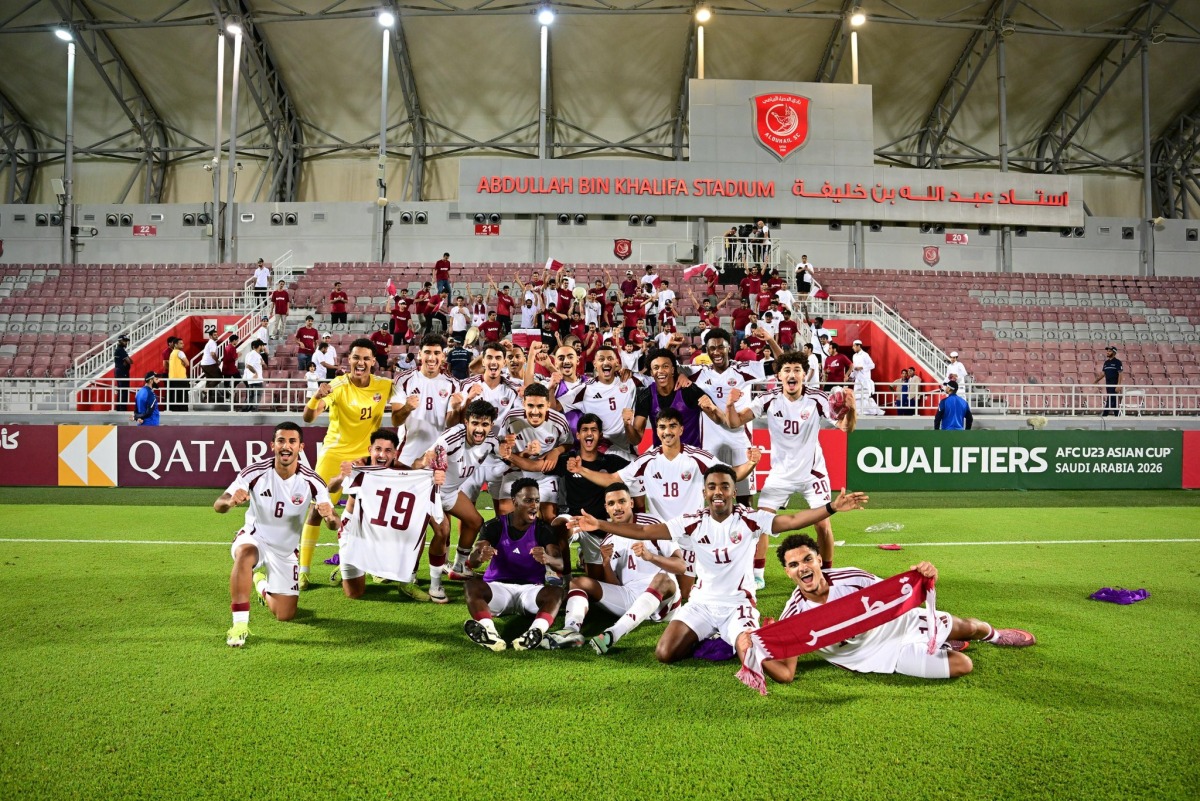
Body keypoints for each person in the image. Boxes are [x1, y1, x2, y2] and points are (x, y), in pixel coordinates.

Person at [573, 465, 868, 663]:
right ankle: (715, 636)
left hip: (737, 605)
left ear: (733, 491)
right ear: (704, 492)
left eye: (725, 486)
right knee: (665, 653)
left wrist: (831, 507)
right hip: (701, 603)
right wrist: (598, 523)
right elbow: (643, 531)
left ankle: (735, 634)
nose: (718, 491)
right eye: (712, 486)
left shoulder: (750, 518)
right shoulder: (691, 523)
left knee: (753, 656)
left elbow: (789, 521)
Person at [735, 533, 1035, 683]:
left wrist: (924, 576)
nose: (802, 568)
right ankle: (944, 643)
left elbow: (896, 594)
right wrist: (750, 647)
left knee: (970, 626)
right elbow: (787, 673)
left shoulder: (851, 577)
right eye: (794, 565)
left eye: (807, 559)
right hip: (882, 655)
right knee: (963, 665)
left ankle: (995, 635)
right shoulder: (795, 614)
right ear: (788, 572)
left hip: (898, 624)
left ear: (818, 560)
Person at [726, 350, 856, 580]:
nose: (792, 374)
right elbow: (735, 421)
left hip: (812, 474)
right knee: (761, 524)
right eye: (787, 370)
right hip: (780, 474)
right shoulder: (768, 399)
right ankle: (756, 576)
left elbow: (845, 427)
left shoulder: (817, 399)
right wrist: (730, 405)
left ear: (805, 375)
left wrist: (851, 409)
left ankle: (826, 573)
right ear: (778, 376)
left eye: (797, 370)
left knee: (823, 526)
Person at [216, 421, 337, 647]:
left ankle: (260, 584)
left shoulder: (313, 481)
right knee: (245, 553)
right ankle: (239, 625)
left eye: (292, 441)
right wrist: (231, 501)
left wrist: (330, 517)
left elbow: (333, 524)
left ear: (301, 447)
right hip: (255, 537)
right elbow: (218, 504)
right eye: (281, 440)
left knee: (285, 614)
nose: (286, 446)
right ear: (272, 445)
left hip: (286, 551)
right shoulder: (255, 472)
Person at [299, 337, 394, 589]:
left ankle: (373, 567)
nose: (360, 362)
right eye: (356, 357)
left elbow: (407, 397)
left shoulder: (385, 385)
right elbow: (309, 417)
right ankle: (303, 571)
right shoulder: (338, 385)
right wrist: (314, 397)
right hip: (334, 455)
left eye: (365, 358)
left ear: (373, 361)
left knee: (371, 514)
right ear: (348, 360)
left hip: (365, 458)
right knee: (318, 509)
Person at [546, 482, 684, 651]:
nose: (617, 507)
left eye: (622, 501)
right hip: (631, 598)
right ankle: (571, 630)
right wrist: (606, 564)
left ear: (631, 503)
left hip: (664, 602)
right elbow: (616, 587)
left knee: (662, 578)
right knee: (579, 582)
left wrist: (652, 557)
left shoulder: (653, 523)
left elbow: (681, 566)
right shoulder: (608, 540)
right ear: (606, 508)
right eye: (611, 504)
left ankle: (613, 633)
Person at [334, 428, 446, 603]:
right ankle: (348, 563)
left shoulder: (401, 471)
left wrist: (434, 478)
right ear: (370, 450)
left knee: (417, 527)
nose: (382, 454)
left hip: (381, 528)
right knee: (354, 593)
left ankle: (407, 580)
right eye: (378, 449)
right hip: (355, 531)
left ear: (395, 453)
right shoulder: (360, 467)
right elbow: (331, 488)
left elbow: (416, 475)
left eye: (388, 450)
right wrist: (341, 476)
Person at [462, 478, 565, 652]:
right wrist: (480, 556)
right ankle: (490, 633)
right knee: (471, 585)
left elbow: (560, 564)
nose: (534, 505)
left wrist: (548, 559)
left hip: (530, 592)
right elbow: (473, 559)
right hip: (498, 589)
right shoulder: (494, 526)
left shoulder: (543, 529)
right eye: (528, 500)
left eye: (537, 500)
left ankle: (535, 632)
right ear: (514, 502)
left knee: (556, 592)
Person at [424, 399, 511, 598]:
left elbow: (504, 452)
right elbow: (433, 452)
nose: (479, 429)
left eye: (485, 424)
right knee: (442, 532)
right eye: (475, 423)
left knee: (475, 521)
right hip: (431, 491)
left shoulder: (491, 441)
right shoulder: (453, 436)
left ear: (491, 425)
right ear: (466, 422)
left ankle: (459, 566)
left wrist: (513, 450)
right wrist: (433, 461)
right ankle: (435, 584)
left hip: (452, 491)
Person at [686, 329, 765, 506]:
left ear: (729, 347)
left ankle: (746, 533)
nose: (716, 352)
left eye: (721, 347)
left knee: (745, 500)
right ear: (706, 350)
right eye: (712, 348)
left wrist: (770, 340)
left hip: (740, 443)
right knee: (711, 497)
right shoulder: (699, 373)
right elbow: (663, 369)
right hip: (710, 445)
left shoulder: (745, 370)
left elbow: (779, 366)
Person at [551, 413, 631, 579]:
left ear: (600, 435)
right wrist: (554, 452)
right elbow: (538, 465)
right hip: (573, 519)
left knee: (596, 581)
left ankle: (584, 557)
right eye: (585, 430)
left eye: (594, 430)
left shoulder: (611, 462)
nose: (589, 433)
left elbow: (639, 470)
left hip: (599, 526)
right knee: (559, 526)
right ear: (578, 435)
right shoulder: (567, 460)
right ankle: (564, 577)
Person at [494, 382, 572, 522]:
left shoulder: (559, 421)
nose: (535, 411)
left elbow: (568, 443)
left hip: (545, 474)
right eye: (530, 405)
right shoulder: (511, 417)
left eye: (540, 406)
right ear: (523, 403)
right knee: (505, 512)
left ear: (548, 404)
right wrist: (515, 448)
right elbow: (503, 449)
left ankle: (545, 543)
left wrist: (556, 451)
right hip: (516, 471)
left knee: (549, 516)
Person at [390, 333, 462, 467]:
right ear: (419, 355)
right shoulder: (403, 380)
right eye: (427, 352)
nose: (431, 358)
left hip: (439, 452)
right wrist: (407, 408)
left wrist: (457, 409)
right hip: (407, 452)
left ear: (443, 356)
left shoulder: (453, 384)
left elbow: (451, 424)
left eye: (436, 353)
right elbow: (395, 421)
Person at [630, 348, 724, 449]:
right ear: (652, 373)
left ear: (673, 370)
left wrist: (712, 408)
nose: (660, 371)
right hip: (662, 458)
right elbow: (636, 439)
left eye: (665, 366)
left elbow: (718, 420)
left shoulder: (689, 389)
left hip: (691, 458)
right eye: (656, 368)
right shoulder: (646, 395)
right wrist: (627, 425)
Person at [557, 345, 640, 458]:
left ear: (616, 362)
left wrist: (630, 372)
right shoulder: (585, 389)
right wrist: (552, 387)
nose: (606, 362)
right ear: (595, 364)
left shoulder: (628, 382)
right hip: (603, 447)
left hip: (628, 445)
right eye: (601, 359)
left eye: (610, 359)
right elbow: (555, 406)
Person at [850, 339, 881, 415]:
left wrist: (862, 367)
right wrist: (851, 376)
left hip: (865, 380)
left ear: (858, 346)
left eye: (854, 346)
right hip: (857, 380)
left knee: (864, 398)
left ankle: (868, 412)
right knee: (857, 397)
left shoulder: (865, 355)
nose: (852, 348)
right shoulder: (854, 356)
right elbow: (854, 368)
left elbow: (872, 365)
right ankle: (859, 413)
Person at [1095, 345, 1123, 417]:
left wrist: (1118, 385)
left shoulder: (1117, 362)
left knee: (1111, 399)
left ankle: (1105, 414)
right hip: (1108, 384)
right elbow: (1103, 374)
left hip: (1114, 384)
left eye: (1109, 351)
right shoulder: (1106, 363)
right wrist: (1096, 381)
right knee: (1112, 399)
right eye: (1107, 351)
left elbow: (1120, 374)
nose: (1107, 352)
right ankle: (1117, 415)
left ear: (1114, 353)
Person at [241, 339, 265, 412]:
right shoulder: (253, 354)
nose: (263, 347)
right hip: (255, 378)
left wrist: (262, 363)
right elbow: (248, 365)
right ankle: (254, 409)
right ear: (259, 346)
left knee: (251, 394)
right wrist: (255, 373)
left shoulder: (255, 355)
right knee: (257, 394)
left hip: (250, 378)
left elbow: (264, 366)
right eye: (262, 346)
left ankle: (248, 408)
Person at [200, 329, 222, 402]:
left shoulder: (209, 343)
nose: (216, 336)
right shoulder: (212, 343)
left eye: (217, 334)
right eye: (214, 335)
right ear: (210, 336)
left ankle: (208, 398)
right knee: (219, 377)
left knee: (209, 380)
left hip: (204, 364)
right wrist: (217, 361)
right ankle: (206, 390)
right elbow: (213, 354)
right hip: (209, 364)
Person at [167, 337, 189, 411]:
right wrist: (184, 364)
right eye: (181, 343)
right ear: (175, 344)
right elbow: (187, 363)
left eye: (183, 343)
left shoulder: (172, 353)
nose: (183, 345)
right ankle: (183, 410)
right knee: (182, 396)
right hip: (181, 378)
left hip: (172, 378)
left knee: (174, 396)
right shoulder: (180, 352)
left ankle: (174, 410)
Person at [112, 334, 132, 411]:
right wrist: (127, 360)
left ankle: (119, 408)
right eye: (124, 341)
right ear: (120, 341)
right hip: (122, 372)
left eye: (126, 341)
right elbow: (130, 361)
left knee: (121, 389)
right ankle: (122, 408)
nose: (126, 343)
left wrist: (128, 360)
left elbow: (130, 361)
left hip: (120, 371)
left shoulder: (119, 350)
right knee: (123, 390)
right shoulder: (120, 350)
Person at [220, 334, 241, 407]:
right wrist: (239, 355)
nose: (238, 341)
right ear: (234, 340)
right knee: (238, 379)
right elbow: (234, 358)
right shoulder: (232, 348)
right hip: (231, 368)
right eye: (237, 340)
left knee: (226, 383)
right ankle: (232, 388)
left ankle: (226, 398)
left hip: (225, 368)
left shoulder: (226, 347)